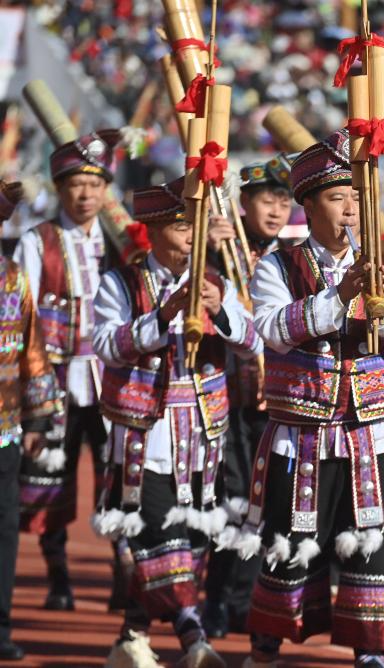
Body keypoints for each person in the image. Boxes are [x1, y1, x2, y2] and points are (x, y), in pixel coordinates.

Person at [237, 130, 384, 668]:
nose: (350, 210)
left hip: (371, 429)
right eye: (338, 198)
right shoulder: (278, 266)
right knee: (290, 539)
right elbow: (272, 330)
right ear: (310, 205)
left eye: (356, 198)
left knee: (370, 540)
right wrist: (340, 296)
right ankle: (266, 646)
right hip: (303, 430)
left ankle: (370, 651)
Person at [92, 176, 262, 668]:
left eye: (195, 226)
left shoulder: (214, 281)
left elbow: (252, 342)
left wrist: (220, 312)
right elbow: (107, 345)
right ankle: (195, 642)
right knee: (160, 539)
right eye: (182, 226)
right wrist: (162, 317)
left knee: (193, 541)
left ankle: (132, 637)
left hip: (202, 435)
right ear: (154, 229)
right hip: (144, 432)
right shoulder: (121, 282)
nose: (191, 235)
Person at [15, 130, 124, 610]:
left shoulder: (122, 240)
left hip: (110, 379)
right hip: (56, 377)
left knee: (117, 474)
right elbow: (24, 314)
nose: (85, 195)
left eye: (95, 185)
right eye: (77, 185)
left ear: (106, 190)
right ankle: (58, 577)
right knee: (50, 476)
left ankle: (123, 574)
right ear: (59, 188)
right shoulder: (37, 241)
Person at [201, 153, 295, 639]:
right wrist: (207, 251)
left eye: (284, 201)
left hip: (279, 399)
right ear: (244, 202)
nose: (276, 210)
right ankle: (218, 600)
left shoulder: (291, 259)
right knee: (235, 500)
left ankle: (250, 600)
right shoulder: (221, 248)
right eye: (266, 200)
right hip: (230, 398)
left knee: (274, 503)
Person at [0, 180, 60, 661]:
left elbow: (32, 350)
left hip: (5, 429)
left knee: (3, 531)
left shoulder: (14, 278)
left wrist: (38, 419)